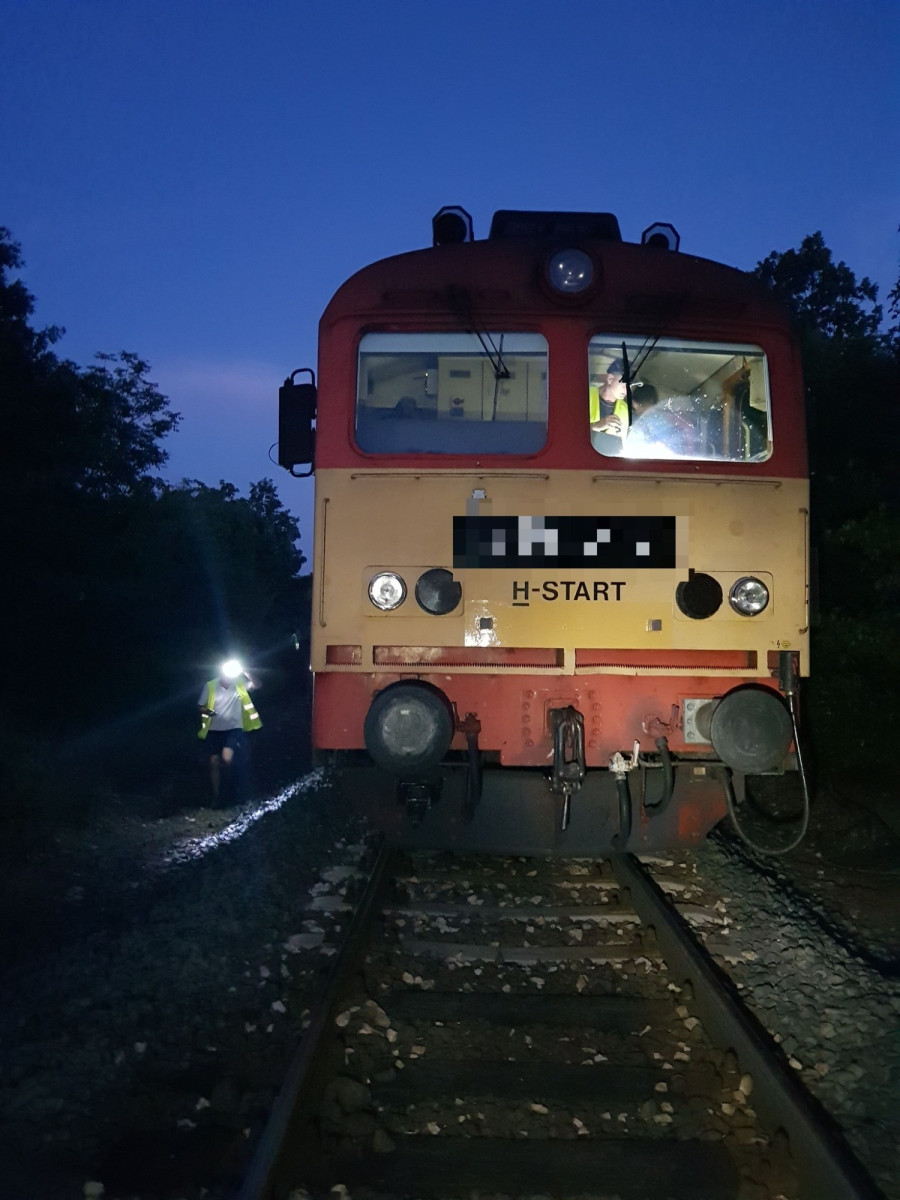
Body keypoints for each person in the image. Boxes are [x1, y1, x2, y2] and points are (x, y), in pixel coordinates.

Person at [198, 659, 261, 806]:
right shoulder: (210, 685)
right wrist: (209, 712)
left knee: (227, 758)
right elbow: (200, 706)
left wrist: (245, 670)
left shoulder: (240, 684)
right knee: (214, 762)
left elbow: (257, 684)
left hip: (233, 729)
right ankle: (217, 796)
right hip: (214, 730)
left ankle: (233, 791)